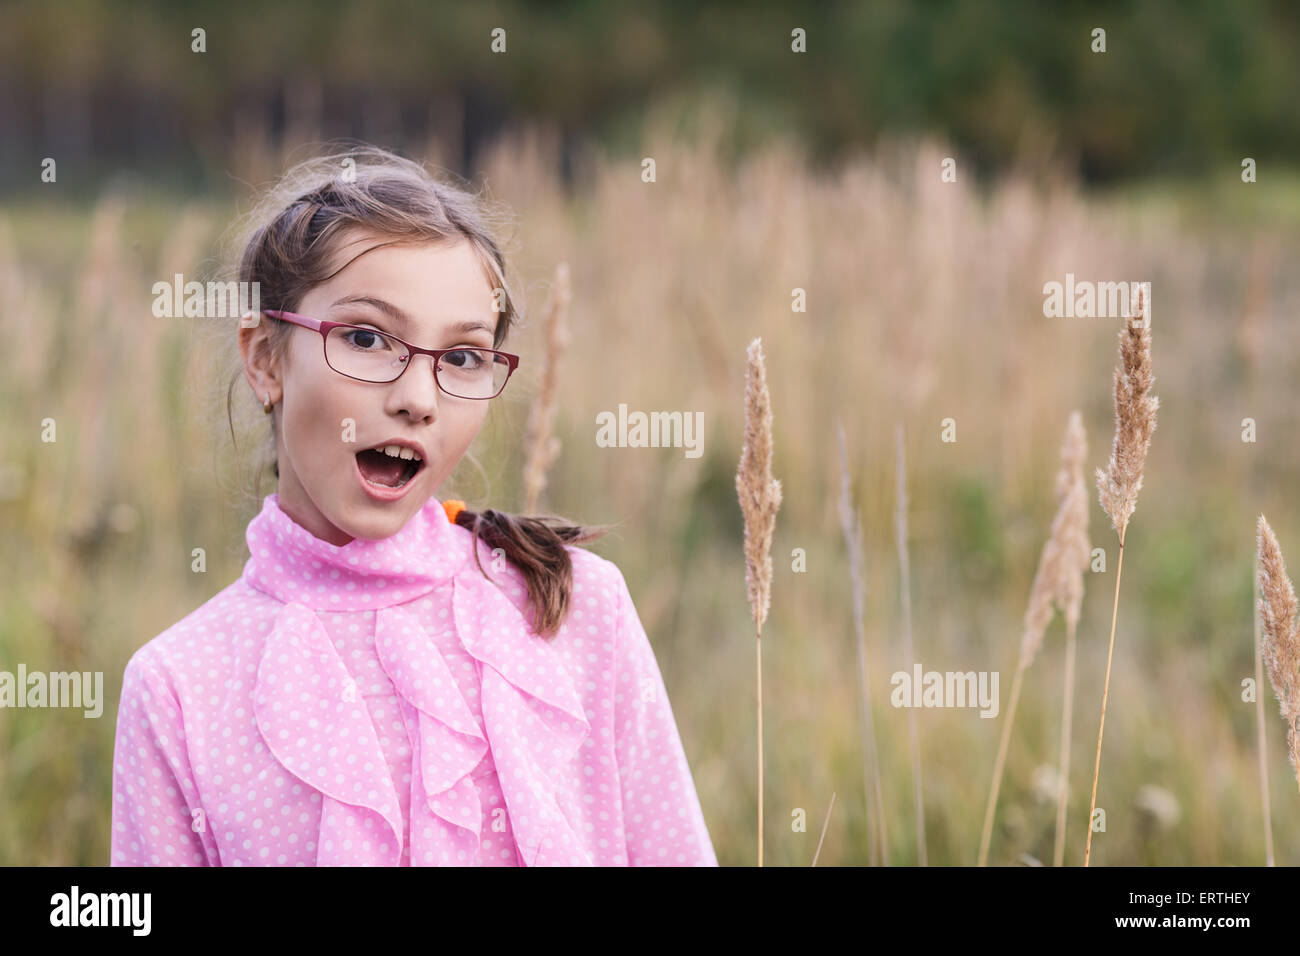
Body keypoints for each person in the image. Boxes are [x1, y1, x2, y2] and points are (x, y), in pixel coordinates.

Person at [109, 146, 717, 866]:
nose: (417, 399)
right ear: (265, 359)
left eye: (461, 357)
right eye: (367, 339)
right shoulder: (180, 687)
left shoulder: (577, 607)